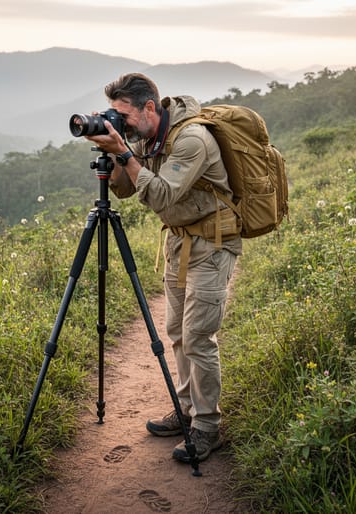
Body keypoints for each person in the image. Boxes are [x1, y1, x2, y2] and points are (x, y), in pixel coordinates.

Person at [84, 73, 240, 463]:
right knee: (176, 332)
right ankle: (186, 409)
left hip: (212, 243)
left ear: (149, 108)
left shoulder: (191, 139)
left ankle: (207, 426)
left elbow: (161, 193)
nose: (122, 123)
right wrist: (110, 144)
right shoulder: (148, 138)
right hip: (179, 242)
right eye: (115, 116)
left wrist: (124, 152)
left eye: (124, 116)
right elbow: (124, 188)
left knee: (198, 335)